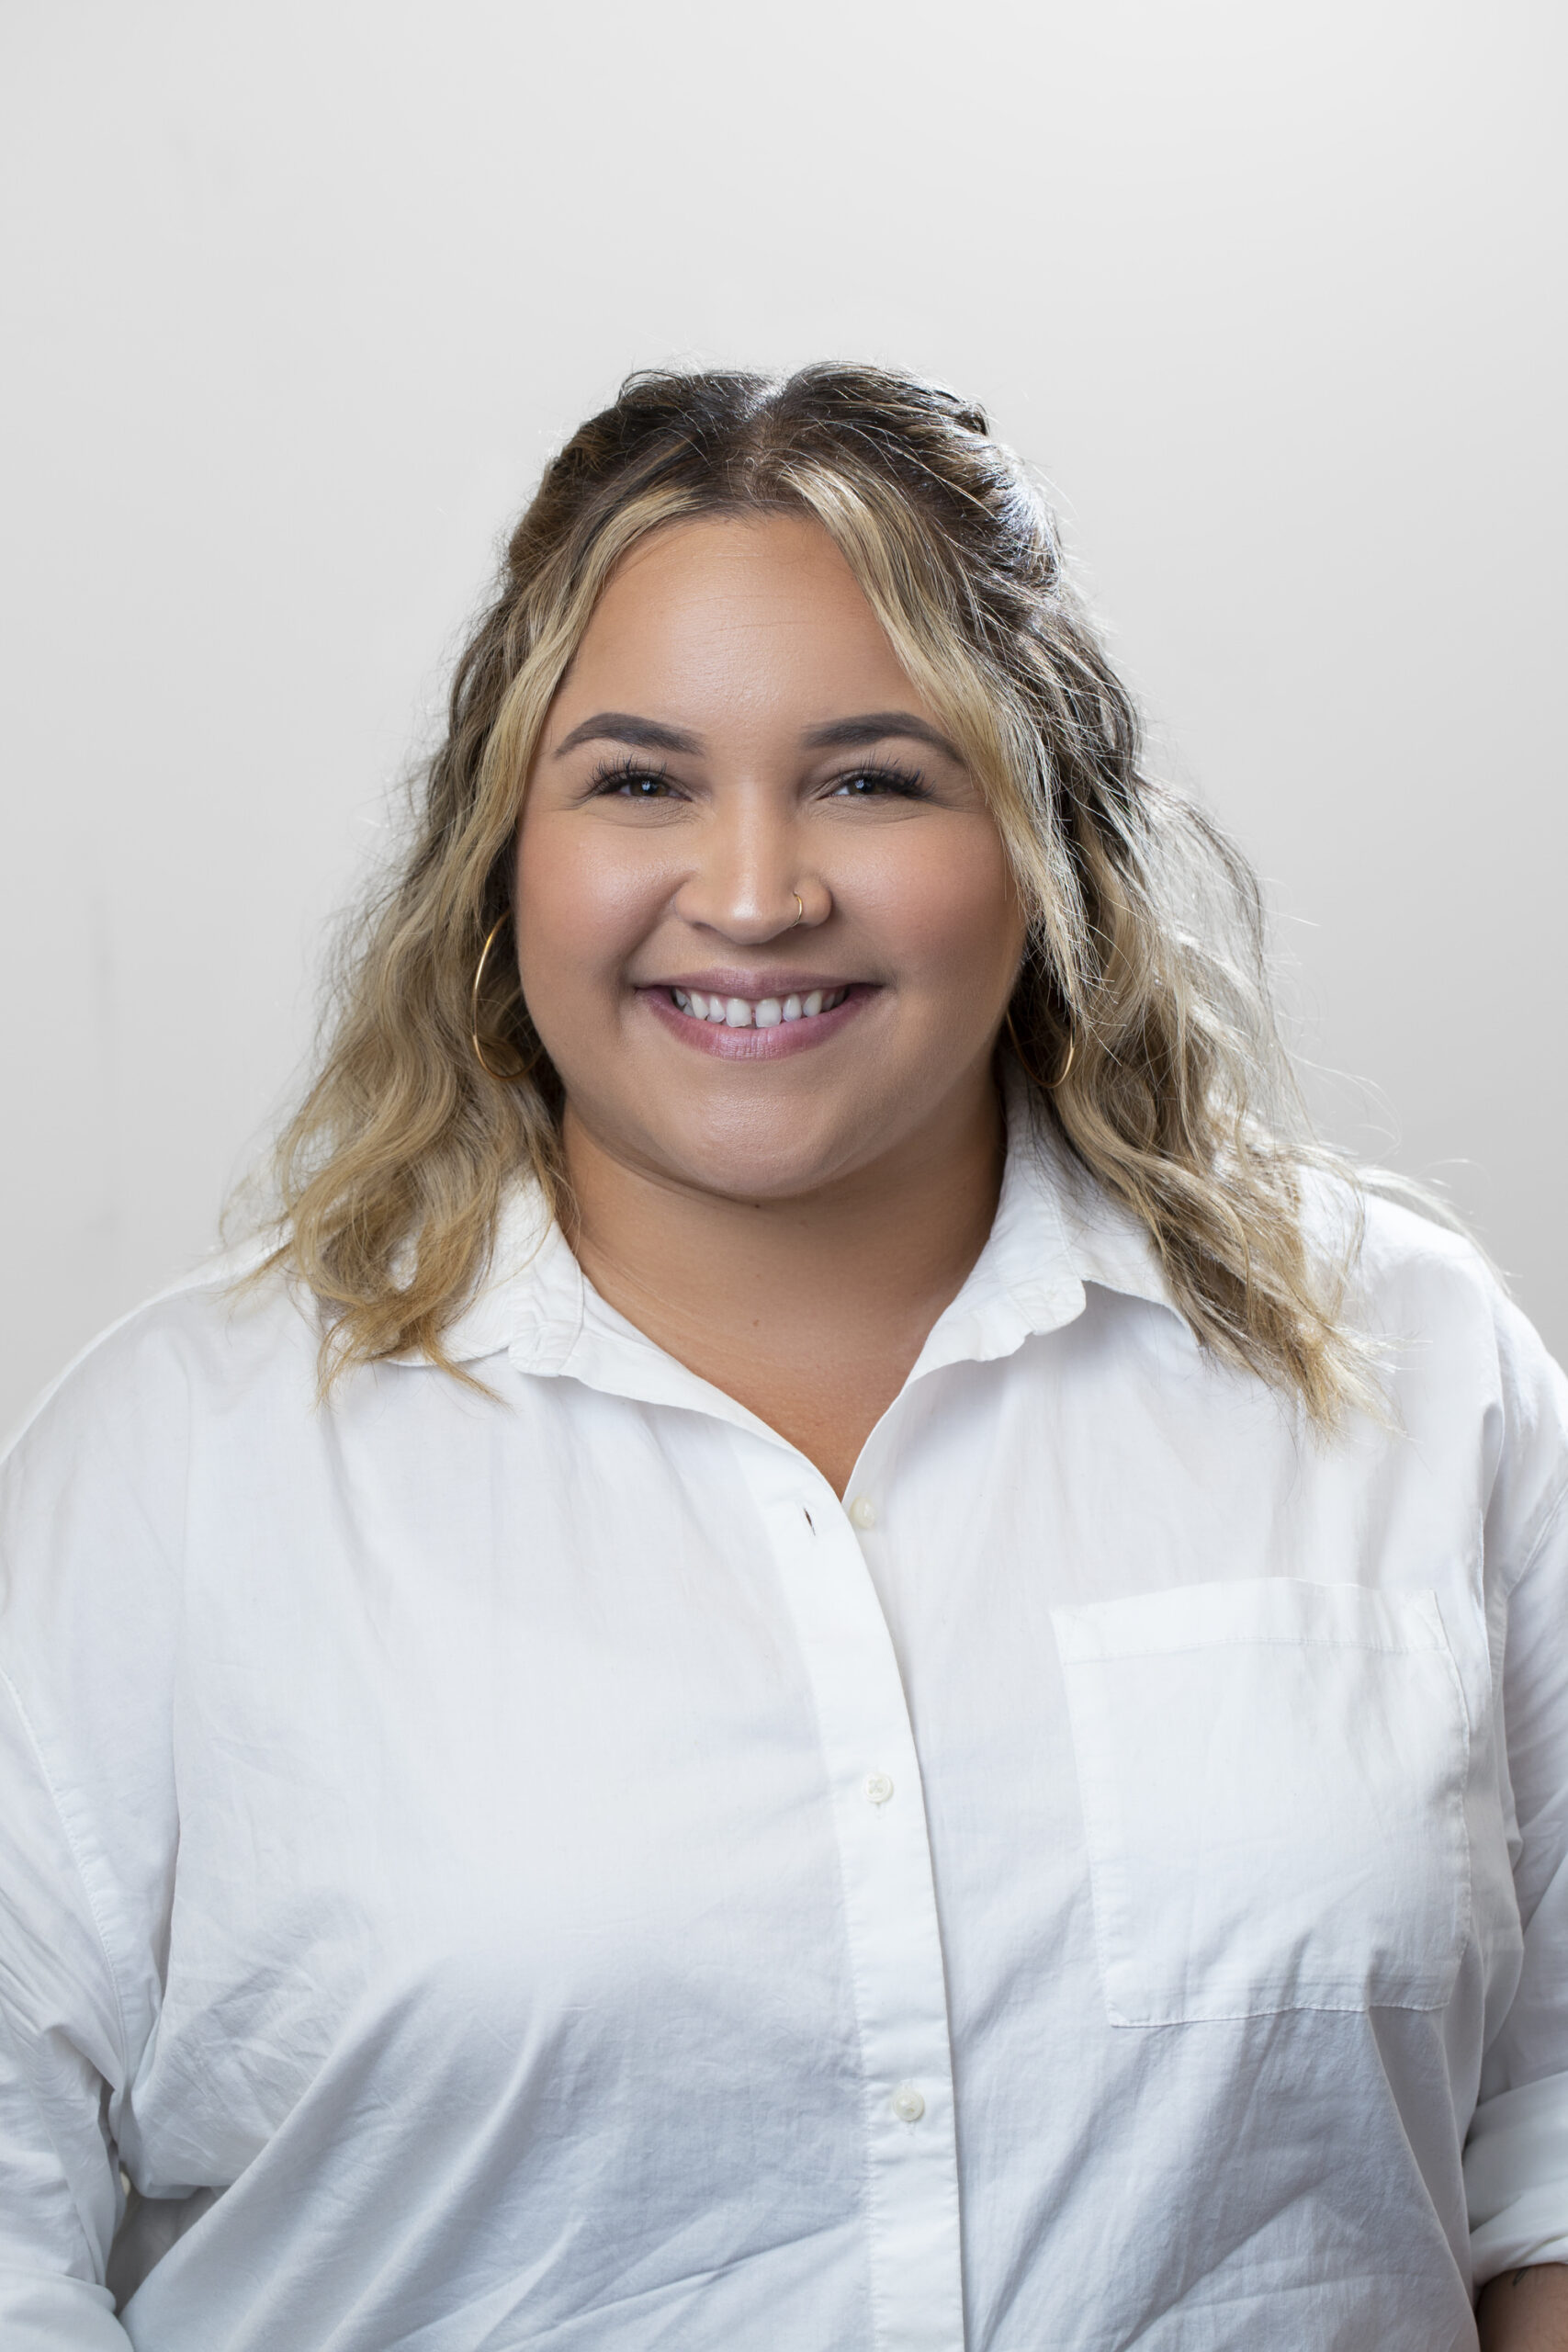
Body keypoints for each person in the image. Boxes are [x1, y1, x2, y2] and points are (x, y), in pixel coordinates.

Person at [1, 365, 1564, 2352]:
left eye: (872, 774)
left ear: (1043, 829)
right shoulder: (175, 1466)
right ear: (502, 852)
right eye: (638, 779)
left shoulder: (1405, 1367)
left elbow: (1545, 2137)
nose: (751, 894)